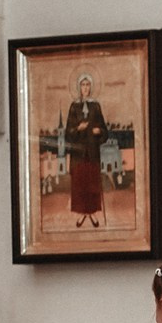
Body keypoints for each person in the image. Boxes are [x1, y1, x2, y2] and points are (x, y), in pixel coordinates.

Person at [62, 74, 108, 227]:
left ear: (91, 87)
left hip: (93, 154)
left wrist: (98, 131)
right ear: (79, 87)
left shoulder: (96, 106)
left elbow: (105, 131)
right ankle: (82, 214)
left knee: (92, 184)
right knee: (80, 184)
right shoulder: (74, 106)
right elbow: (68, 133)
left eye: (88, 85)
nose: (86, 88)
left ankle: (92, 214)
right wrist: (77, 129)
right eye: (83, 85)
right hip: (78, 154)